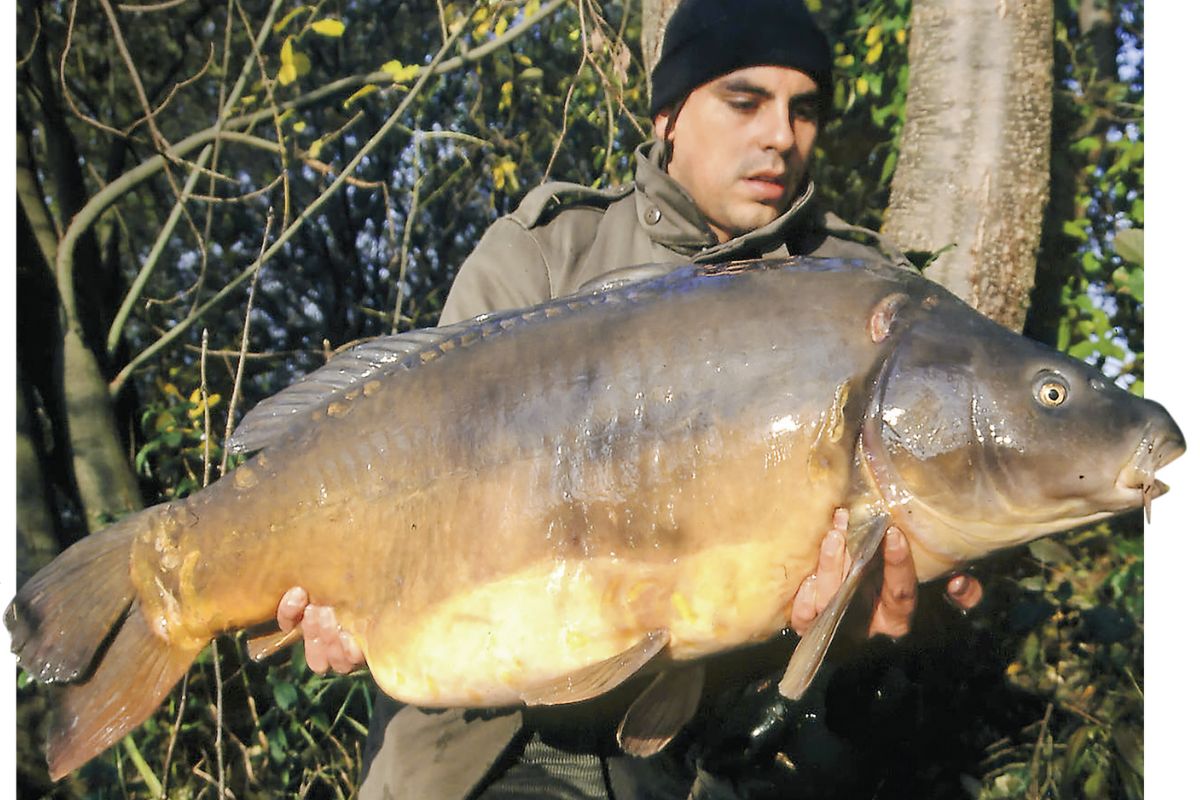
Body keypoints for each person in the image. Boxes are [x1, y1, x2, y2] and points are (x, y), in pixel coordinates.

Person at [277, 0, 982, 796]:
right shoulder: (548, 255)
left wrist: (880, 633)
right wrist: (355, 591)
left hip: (746, 735)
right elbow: (421, 476)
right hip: (515, 735)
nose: (780, 136)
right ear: (670, 115)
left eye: (804, 109)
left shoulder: (871, 296)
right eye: (744, 102)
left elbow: (938, 607)